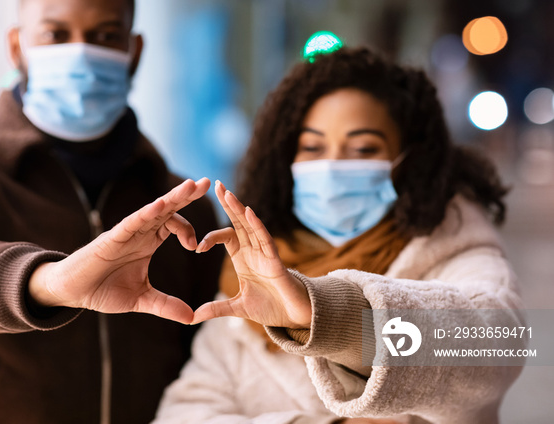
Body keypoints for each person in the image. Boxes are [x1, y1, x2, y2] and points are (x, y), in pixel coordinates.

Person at [0, 0, 223, 422]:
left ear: (135, 50)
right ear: (17, 47)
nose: (81, 52)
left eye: (105, 36)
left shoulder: (178, 205)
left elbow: (210, 356)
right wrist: (50, 283)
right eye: (55, 35)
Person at [153, 47, 522, 424]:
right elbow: (183, 412)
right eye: (312, 147)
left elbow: (494, 346)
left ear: (409, 162)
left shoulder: (455, 248)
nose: (332, 165)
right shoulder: (253, 269)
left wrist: (328, 316)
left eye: (363, 148)